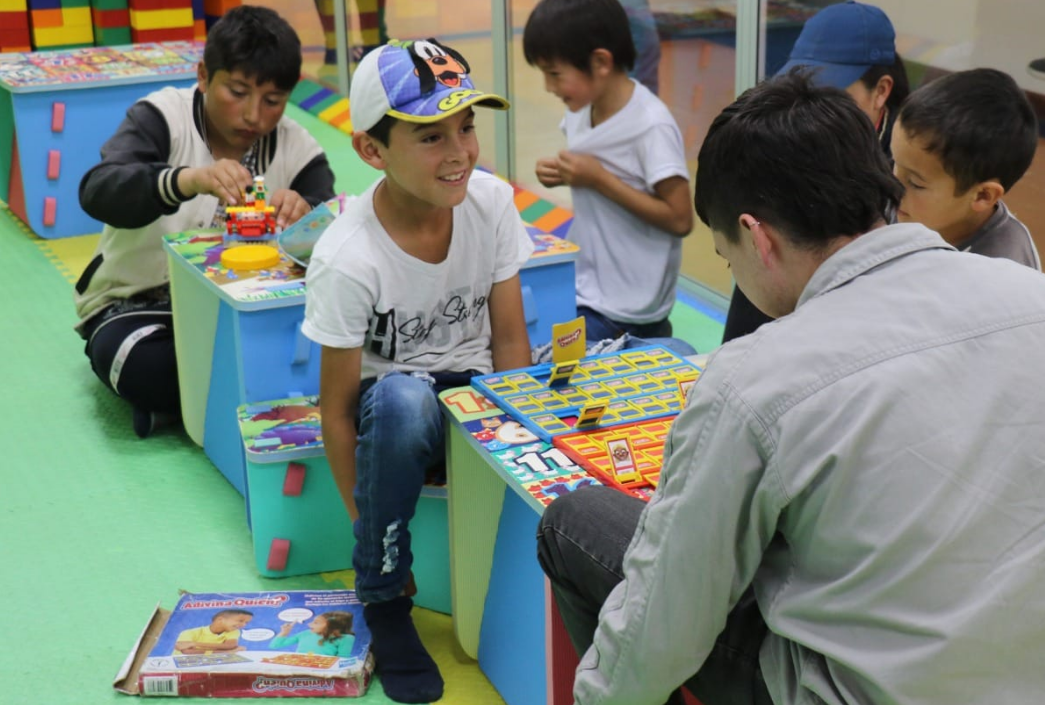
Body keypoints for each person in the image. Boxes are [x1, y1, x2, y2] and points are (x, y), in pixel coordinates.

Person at [537, 71, 1045, 705]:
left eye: (729, 260)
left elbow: (663, 620)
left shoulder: (757, 379)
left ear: (758, 238)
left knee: (577, 524)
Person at [302, 39, 533, 704]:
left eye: (466, 126)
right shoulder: (348, 256)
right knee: (402, 399)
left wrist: (520, 447)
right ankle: (381, 595)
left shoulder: (491, 203)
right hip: (394, 425)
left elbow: (511, 337)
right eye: (431, 136)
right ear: (372, 151)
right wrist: (365, 526)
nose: (459, 151)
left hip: (474, 400)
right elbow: (338, 409)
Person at [75, 5, 336, 438]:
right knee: (141, 364)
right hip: (141, 305)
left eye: (273, 101)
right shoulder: (163, 117)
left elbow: (331, 222)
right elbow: (98, 189)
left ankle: (189, 406)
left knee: (345, 349)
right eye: (237, 92)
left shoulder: (295, 146)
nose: (255, 115)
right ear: (202, 76)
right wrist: (187, 180)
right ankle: (247, 398)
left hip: (246, 315)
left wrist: (305, 213)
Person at [722, 0, 909, 343]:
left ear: (881, 91)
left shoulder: (912, 163)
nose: (812, 110)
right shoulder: (787, 143)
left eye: (833, 95)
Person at [523, 0, 694, 344]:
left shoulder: (650, 126)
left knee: (551, 369)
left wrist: (598, 179)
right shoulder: (580, 108)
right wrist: (562, 173)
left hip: (628, 308)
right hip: (585, 286)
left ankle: (650, 340)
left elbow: (680, 219)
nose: (547, 86)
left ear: (601, 62)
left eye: (554, 73)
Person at [891, 68, 1041, 268]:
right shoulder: (902, 206)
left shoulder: (1003, 273)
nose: (891, 187)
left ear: (982, 196)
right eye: (893, 163)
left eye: (916, 183)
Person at [270, 612, 356, 657]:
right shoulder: (305, 634)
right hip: (298, 667)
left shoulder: (346, 638)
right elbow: (274, 646)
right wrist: (284, 632)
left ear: (332, 626)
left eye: (316, 623)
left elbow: (343, 659)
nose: (309, 624)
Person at [173, 610, 253, 655]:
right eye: (240, 621)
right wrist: (228, 652)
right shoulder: (189, 633)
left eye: (246, 623)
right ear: (220, 620)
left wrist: (194, 644)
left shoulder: (233, 631)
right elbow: (188, 652)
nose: (243, 625)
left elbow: (230, 645)